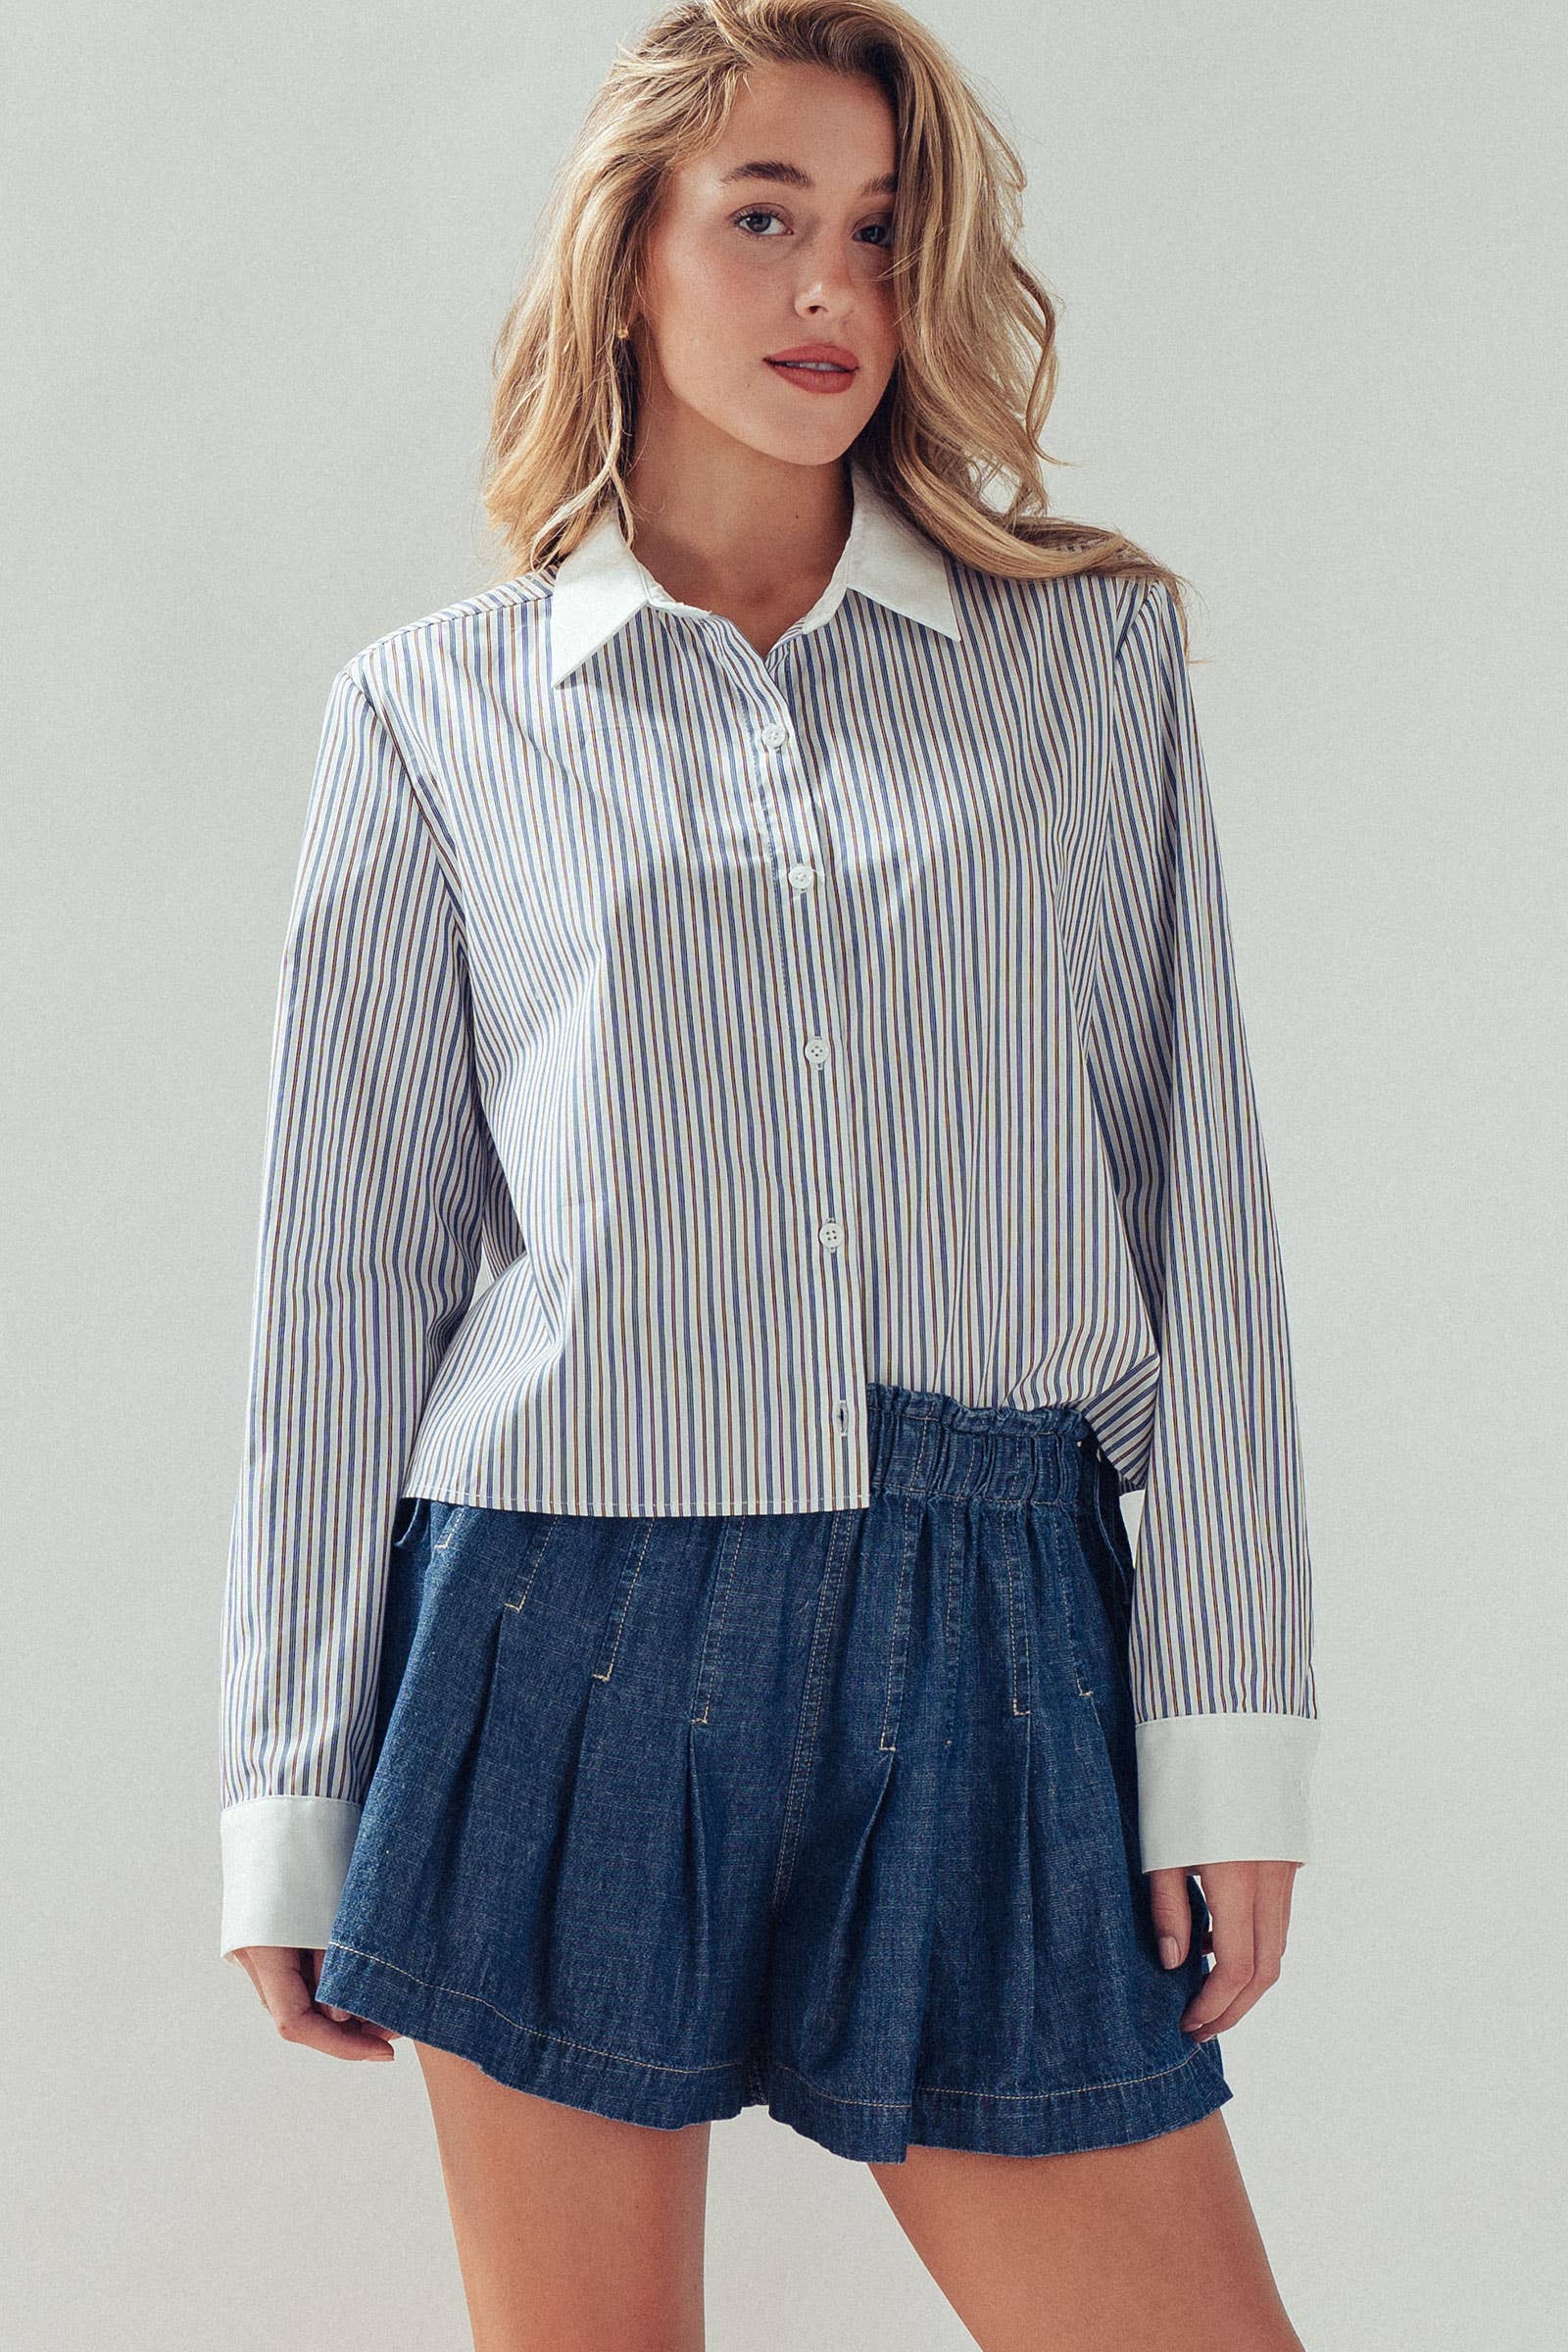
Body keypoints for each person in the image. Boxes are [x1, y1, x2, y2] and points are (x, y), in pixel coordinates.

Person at [219, 3, 1320, 2344]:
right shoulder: (432, 716)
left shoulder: (1083, 669)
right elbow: (344, 1288)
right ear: (626, 256)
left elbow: (1200, 1221)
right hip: (560, 1612)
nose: (833, 287)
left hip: (987, 1615)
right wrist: (291, 1792)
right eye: (762, 217)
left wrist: (1224, 1730)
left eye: (885, 232)